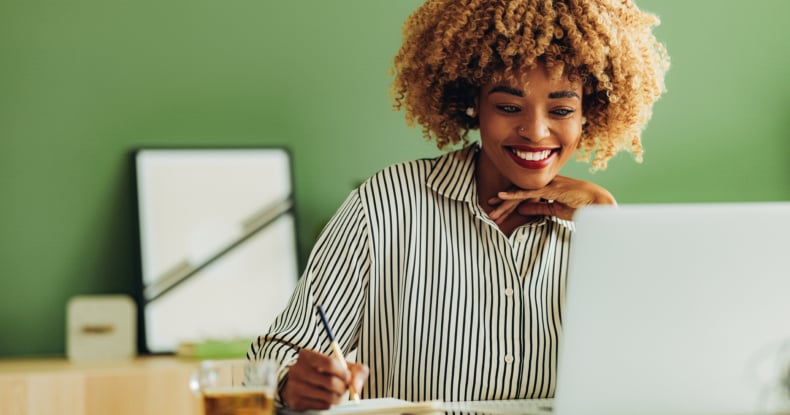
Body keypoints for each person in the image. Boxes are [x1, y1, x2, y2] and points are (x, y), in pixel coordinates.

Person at [248, 0, 669, 410]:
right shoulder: (385, 207)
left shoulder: (597, 226)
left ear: (587, 115)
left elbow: (657, 374)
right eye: (508, 107)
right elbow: (270, 359)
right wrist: (290, 383)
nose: (536, 131)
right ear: (473, 103)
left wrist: (610, 227)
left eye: (560, 110)